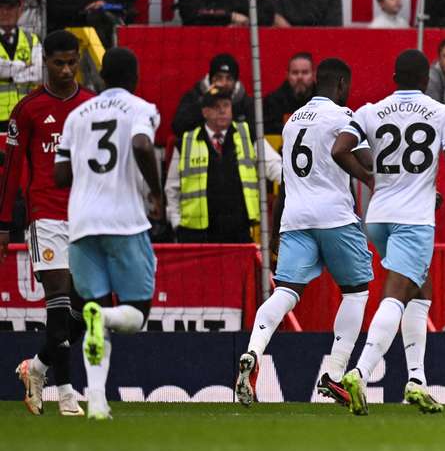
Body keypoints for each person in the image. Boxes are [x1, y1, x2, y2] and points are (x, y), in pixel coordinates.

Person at [333, 49, 445, 416]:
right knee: (396, 293)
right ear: (427, 80)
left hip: (378, 217)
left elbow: (340, 148)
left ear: (394, 77)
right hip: (414, 220)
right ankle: (360, 373)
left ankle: (416, 380)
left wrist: (370, 178)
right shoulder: (440, 112)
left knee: (420, 293)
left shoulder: (369, 110)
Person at [235, 58, 374, 407]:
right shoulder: (344, 118)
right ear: (341, 84)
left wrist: (275, 226)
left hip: (295, 217)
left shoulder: (293, 121)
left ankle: (253, 351)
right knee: (355, 293)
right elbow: (367, 161)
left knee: (286, 291)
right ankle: (336, 375)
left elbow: (285, 178)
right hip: (335, 216)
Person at [53, 47, 163, 420]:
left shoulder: (76, 115)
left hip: (81, 224)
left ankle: (97, 403)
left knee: (91, 308)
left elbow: (60, 175)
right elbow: (141, 144)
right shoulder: (141, 108)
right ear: (135, 77)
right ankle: (105, 319)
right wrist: (157, 192)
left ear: (100, 76)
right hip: (125, 222)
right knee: (136, 314)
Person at [1, 31, 94, 417]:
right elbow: (10, 170)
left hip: (86, 218)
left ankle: (36, 368)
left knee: (87, 311)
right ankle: (68, 393)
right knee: (57, 304)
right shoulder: (27, 109)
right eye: (59, 63)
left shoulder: (92, 106)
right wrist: (4, 223)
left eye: (72, 62)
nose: (67, 70)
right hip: (46, 217)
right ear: (45, 64)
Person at [165, 88, 279, 243]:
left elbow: (274, 165)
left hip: (238, 230)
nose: (222, 110)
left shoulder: (248, 135)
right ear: (205, 112)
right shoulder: (186, 142)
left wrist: (290, 182)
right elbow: (172, 188)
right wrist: (176, 222)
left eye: (226, 105)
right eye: (216, 107)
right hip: (197, 234)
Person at [171, 53, 256, 139]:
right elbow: (178, 127)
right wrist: (206, 101)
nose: (223, 83)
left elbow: (256, 134)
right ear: (210, 79)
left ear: (235, 82)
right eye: (219, 77)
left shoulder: (245, 103)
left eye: (229, 78)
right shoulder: (194, 97)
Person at [0, 0, 42, 132]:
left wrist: (8, 70)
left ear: (19, 9)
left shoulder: (32, 39)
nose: (5, 12)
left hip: (27, 113)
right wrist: (24, 65)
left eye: (10, 7)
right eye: (1, 7)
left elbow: (37, 74)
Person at [263, 53, 315, 134]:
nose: (299, 77)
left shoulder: (324, 102)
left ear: (313, 75)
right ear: (287, 75)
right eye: (295, 72)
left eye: (305, 72)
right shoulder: (272, 102)